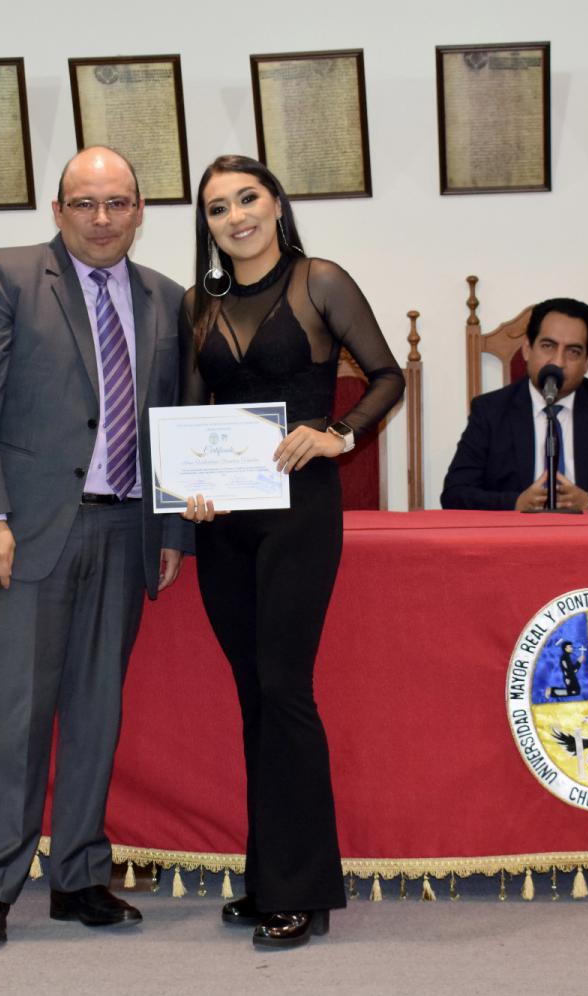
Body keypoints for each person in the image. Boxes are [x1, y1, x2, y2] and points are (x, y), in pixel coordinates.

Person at [0, 147, 188, 945]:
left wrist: (173, 527)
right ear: (58, 211)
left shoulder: (167, 298)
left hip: (126, 529)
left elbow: (173, 422)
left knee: (96, 711)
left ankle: (80, 877)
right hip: (26, 531)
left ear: (140, 211)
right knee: (14, 715)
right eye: (85, 203)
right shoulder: (6, 277)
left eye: (118, 203)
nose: (102, 219)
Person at [179, 155, 404, 949]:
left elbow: (387, 377)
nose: (236, 216)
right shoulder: (197, 306)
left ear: (276, 203)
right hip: (222, 524)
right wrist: (187, 490)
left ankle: (303, 889)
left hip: (299, 515)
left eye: (248, 198)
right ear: (207, 225)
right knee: (255, 698)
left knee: (284, 690)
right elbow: (192, 414)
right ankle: (271, 875)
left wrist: (339, 434)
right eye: (218, 208)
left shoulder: (321, 281)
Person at [440, 298, 588, 511]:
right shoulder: (490, 410)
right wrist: (515, 503)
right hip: (517, 532)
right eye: (548, 346)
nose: (558, 362)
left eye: (573, 351)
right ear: (527, 349)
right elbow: (455, 493)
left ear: (587, 362)